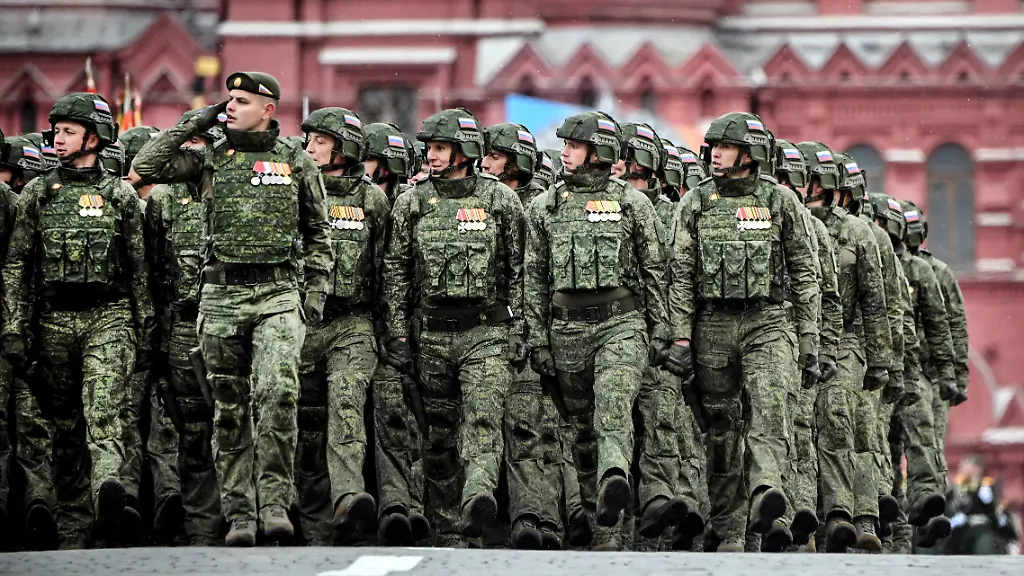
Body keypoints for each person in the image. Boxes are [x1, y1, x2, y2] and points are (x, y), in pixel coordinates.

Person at [131, 72, 334, 546]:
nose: (230, 107)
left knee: (279, 395)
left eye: (241, 101)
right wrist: (193, 120)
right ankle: (239, 513)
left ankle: (276, 505)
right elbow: (146, 164)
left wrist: (314, 295)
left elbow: (318, 234)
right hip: (220, 297)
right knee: (228, 408)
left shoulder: (295, 162)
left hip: (278, 295)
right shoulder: (209, 160)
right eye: (228, 100)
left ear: (268, 108)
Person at [2, 92, 155, 546]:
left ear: (94, 136)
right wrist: (14, 328)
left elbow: (140, 269)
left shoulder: (120, 195)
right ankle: (73, 528)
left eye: (68, 131)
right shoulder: (36, 193)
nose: (58, 139)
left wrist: (145, 332)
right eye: (55, 131)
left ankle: (108, 489)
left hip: (108, 317)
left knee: (103, 409)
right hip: (52, 322)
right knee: (64, 425)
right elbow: (18, 266)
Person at [666, 113, 819, 553]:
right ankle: (730, 526)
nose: (715, 153)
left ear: (749, 155)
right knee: (721, 429)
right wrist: (680, 337)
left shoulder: (779, 202)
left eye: (726, 147)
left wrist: (808, 337)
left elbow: (805, 273)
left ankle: (766, 492)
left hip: (767, 323)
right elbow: (679, 276)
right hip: (711, 326)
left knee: (769, 411)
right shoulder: (695, 203)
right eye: (713, 145)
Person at [525, 111, 670, 551]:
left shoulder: (633, 204)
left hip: (620, 325)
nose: (564, 152)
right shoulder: (544, 206)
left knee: (612, 408)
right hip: (566, 332)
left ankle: (614, 477)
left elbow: (655, 272)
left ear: (599, 152)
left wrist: (661, 330)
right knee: (581, 435)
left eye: (573, 145)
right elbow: (534, 278)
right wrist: (537, 338)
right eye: (563, 145)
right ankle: (602, 527)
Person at [382, 108, 525, 547]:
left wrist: (519, 330)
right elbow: (396, 271)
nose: (433, 155)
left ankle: (477, 497)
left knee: (482, 418)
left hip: (486, 333)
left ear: (465, 151)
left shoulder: (500, 200)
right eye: (429, 148)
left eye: (441, 148)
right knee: (439, 433)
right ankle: (450, 530)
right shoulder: (412, 201)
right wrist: (398, 334)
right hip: (431, 335)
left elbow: (520, 268)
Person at [292, 107, 390, 545]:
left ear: (345, 148)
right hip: (298, 322)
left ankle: (349, 498)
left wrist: (390, 331)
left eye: (320, 142)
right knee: (301, 424)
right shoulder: (294, 190)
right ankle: (308, 520)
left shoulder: (372, 201)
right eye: (307, 140)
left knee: (346, 407)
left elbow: (390, 268)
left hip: (352, 323)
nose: (309, 148)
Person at [481, 122, 578, 550]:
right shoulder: (477, 203)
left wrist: (534, 332)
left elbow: (539, 277)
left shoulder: (543, 206)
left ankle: (543, 520)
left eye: (496, 156)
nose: (485, 163)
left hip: (532, 332)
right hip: (484, 329)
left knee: (536, 430)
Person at [796, 140, 891, 552]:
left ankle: (852, 514)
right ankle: (808, 516)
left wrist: (884, 360)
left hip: (848, 340)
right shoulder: (789, 221)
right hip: (798, 336)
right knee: (800, 426)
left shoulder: (856, 232)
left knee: (842, 420)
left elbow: (876, 300)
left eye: (811, 178)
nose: (803, 185)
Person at [144, 108, 225, 546]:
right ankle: (200, 526)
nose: (193, 150)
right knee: (192, 428)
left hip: (228, 320)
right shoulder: (162, 199)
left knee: (233, 419)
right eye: (187, 143)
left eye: (201, 143)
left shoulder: (230, 187)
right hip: (182, 325)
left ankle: (242, 515)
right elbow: (153, 269)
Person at [772, 139, 842, 551]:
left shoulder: (811, 228)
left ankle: (797, 519)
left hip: (791, 342)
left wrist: (818, 349)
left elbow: (824, 295)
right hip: (735, 337)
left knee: (794, 429)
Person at [947, 454, 1015, 555]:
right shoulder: (957, 487)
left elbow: (996, 509)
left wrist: (988, 498)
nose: (963, 469)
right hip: (961, 529)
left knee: (985, 544)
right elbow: (950, 506)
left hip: (983, 527)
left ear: (977, 469)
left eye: (967, 466)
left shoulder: (988, 485)